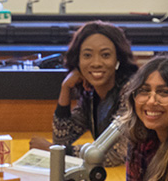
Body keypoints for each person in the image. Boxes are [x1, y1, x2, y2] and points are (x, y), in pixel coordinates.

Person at [29, 21, 139, 167]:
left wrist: (55, 152)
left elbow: (117, 154)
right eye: (87, 55)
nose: (96, 63)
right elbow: (62, 139)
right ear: (78, 60)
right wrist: (65, 88)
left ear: (118, 59)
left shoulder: (131, 93)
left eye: (105, 55)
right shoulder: (92, 95)